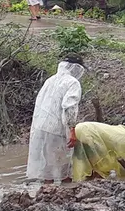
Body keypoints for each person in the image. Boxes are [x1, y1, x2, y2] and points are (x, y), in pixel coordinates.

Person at [26, 55, 84, 183]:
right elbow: (70, 107)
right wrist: (72, 130)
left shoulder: (50, 80)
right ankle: (64, 192)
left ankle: (46, 192)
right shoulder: (73, 82)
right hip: (56, 127)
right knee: (64, 162)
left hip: (41, 125)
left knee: (48, 163)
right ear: (76, 69)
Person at [69, 117, 125, 182]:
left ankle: (79, 181)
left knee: (83, 161)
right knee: (100, 163)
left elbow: (111, 155)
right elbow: (123, 160)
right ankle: (88, 182)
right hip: (88, 134)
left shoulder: (115, 130)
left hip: (79, 129)